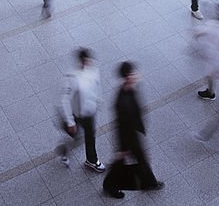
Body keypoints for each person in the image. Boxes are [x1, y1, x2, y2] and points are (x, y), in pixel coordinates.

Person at [105, 61, 164, 198]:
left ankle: (149, 182)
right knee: (122, 161)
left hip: (133, 133)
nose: (137, 75)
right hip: (128, 137)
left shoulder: (129, 88)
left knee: (140, 159)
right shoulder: (122, 101)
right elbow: (121, 126)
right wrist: (123, 148)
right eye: (133, 73)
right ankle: (110, 185)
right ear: (127, 77)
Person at [57, 49, 105, 171]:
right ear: (80, 61)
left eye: (89, 60)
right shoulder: (72, 77)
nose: (88, 63)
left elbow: (96, 86)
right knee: (75, 137)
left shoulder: (94, 71)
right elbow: (65, 100)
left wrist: (97, 101)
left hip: (90, 112)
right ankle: (63, 150)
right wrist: (70, 121)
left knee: (90, 137)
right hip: (76, 114)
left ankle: (91, 160)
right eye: (85, 61)